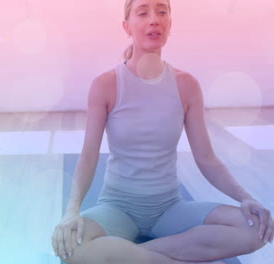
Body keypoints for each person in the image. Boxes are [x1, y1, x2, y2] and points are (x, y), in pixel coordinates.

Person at [51, 0, 274, 263]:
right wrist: (71, 211)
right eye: (143, 12)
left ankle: (133, 255)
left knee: (257, 229)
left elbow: (206, 159)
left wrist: (246, 198)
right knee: (67, 247)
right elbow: (88, 156)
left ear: (169, 24)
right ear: (127, 26)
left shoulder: (186, 85)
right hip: (117, 208)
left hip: (170, 209)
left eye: (161, 11)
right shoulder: (105, 85)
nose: (153, 19)